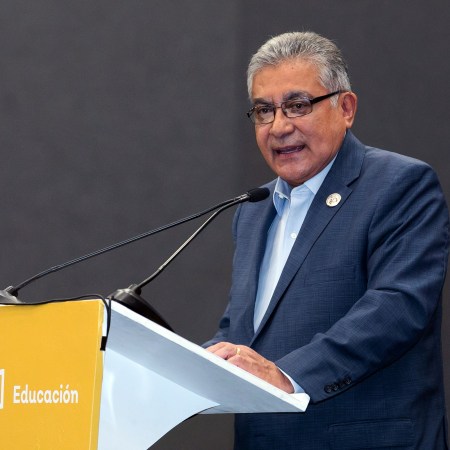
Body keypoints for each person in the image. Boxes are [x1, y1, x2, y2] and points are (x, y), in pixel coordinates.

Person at [205, 31, 449, 449]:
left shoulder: (400, 184)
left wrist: (287, 375)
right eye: (264, 110)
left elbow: (397, 306)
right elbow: (243, 332)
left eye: (298, 105)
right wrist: (184, 365)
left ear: (346, 108)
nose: (279, 127)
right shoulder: (253, 211)